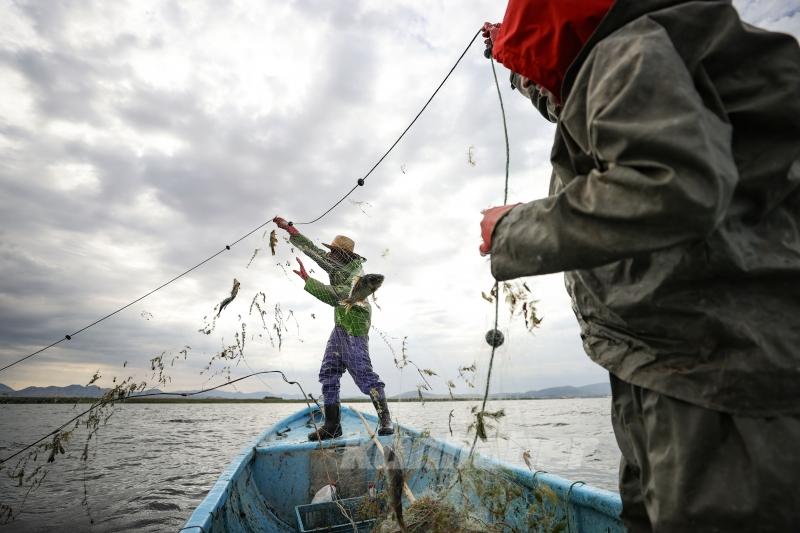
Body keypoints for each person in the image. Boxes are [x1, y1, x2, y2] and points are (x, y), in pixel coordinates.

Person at [479, 1, 800, 531]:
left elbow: (674, 184)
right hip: (657, 359)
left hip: (715, 376)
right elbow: (568, 96)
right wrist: (516, 65)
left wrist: (511, 228)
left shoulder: (629, 48)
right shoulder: (624, 51)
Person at [273, 216, 393, 440]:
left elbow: (339, 297)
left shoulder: (356, 274)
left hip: (355, 326)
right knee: (328, 372)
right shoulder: (336, 264)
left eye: (334, 252)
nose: (329, 255)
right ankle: (332, 425)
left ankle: (385, 418)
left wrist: (309, 281)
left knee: (364, 374)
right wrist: (289, 229)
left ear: (345, 256)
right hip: (340, 325)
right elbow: (315, 252)